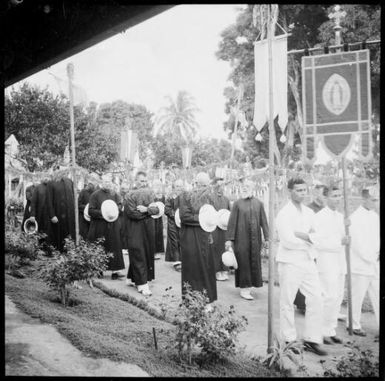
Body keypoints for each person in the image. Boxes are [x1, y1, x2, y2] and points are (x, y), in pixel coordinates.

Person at [275, 177, 327, 356]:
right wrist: (309, 238)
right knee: (287, 301)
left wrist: (303, 236)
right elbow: (288, 240)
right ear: (290, 191)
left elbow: (319, 236)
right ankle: (289, 339)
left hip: (307, 260)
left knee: (317, 298)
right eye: (299, 190)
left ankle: (312, 339)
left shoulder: (309, 213)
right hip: (290, 261)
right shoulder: (284, 214)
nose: (303, 194)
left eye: (305, 190)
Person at [312, 185, 349, 345]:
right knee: (328, 296)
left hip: (339, 260)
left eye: (339, 195)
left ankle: (330, 329)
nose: (338, 198)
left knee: (338, 297)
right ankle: (321, 331)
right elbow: (318, 242)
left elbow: (344, 239)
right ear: (326, 197)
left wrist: (346, 234)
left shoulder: (341, 217)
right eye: (334, 195)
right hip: (326, 260)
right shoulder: (320, 217)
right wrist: (338, 242)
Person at [225, 179, 269, 300]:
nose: (244, 188)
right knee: (243, 262)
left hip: (255, 240)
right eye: (243, 186)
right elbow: (232, 222)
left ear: (253, 188)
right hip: (241, 239)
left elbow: (264, 222)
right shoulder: (237, 204)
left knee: (254, 261)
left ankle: (250, 287)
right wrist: (229, 239)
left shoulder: (258, 203)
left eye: (247, 186)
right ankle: (244, 289)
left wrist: (267, 238)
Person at [179, 172, 217, 308]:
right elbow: (184, 216)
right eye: (203, 186)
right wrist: (201, 219)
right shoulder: (186, 196)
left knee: (207, 267)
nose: (206, 189)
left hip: (205, 237)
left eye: (207, 186)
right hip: (190, 238)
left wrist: (209, 226)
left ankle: (207, 300)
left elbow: (213, 215)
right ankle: (191, 301)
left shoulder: (210, 197)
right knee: (193, 268)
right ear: (196, 184)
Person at [348, 186, 379, 336]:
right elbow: (358, 244)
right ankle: (353, 324)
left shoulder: (375, 216)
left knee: (377, 294)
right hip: (360, 264)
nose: (375, 202)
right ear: (364, 199)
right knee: (357, 296)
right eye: (373, 200)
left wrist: (377, 255)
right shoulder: (355, 218)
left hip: (374, 263)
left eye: (377, 199)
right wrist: (370, 257)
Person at [125, 171, 160, 296]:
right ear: (136, 181)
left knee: (146, 253)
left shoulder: (150, 194)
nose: (144, 183)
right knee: (138, 253)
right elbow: (132, 213)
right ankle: (142, 284)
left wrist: (146, 209)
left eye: (145, 181)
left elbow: (157, 209)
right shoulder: (129, 195)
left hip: (148, 229)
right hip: (134, 229)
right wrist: (149, 213)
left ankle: (131, 278)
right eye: (141, 181)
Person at [294, 181, 326, 314]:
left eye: (325, 195)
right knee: (306, 277)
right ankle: (302, 305)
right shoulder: (309, 209)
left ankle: (319, 304)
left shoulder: (326, 210)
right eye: (321, 194)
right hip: (309, 247)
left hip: (323, 248)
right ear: (315, 194)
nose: (323, 197)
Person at [87, 178, 125, 279]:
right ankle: (99, 270)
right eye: (105, 182)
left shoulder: (115, 194)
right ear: (101, 183)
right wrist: (103, 213)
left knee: (115, 246)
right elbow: (91, 211)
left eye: (109, 182)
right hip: (100, 225)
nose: (107, 184)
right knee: (101, 246)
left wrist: (115, 210)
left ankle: (115, 271)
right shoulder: (95, 195)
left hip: (113, 225)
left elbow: (120, 206)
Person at [46, 173, 76, 252]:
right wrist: (52, 215)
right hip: (57, 214)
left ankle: (68, 251)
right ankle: (58, 253)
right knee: (58, 238)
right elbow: (48, 201)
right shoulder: (51, 183)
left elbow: (73, 197)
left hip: (69, 216)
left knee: (69, 236)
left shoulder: (69, 181)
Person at [211, 176, 231, 281]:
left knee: (224, 248)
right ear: (214, 186)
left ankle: (225, 269)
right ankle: (217, 271)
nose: (220, 188)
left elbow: (229, 213)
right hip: (214, 227)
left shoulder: (226, 199)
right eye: (218, 186)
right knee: (215, 248)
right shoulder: (211, 198)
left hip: (224, 227)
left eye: (222, 186)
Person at [29, 174, 54, 253]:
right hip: (40, 214)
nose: (47, 178)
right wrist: (32, 215)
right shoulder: (38, 188)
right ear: (42, 178)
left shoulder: (52, 188)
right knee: (40, 231)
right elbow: (33, 202)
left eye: (48, 176)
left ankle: (48, 249)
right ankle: (39, 249)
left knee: (49, 232)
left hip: (50, 214)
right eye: (45, 176)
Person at [164, 179, 184, 271]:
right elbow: (167, 210)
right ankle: (176, 261)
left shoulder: (186, 196)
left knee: (183, 240)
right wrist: (175, 215)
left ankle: (183, 259)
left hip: (183, 222)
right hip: (173, 223)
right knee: (174, 241)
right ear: (174, 187)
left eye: (180, 186)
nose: (179, 188)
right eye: (177, 186)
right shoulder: (170, 197)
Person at [152, 179, 165, 260]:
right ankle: (152, 251)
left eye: (159, 185)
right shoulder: (151, 195)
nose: (158, 187)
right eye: (156, 185)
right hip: (152, 217)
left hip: (159, 218)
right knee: (152, 233)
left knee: (159, 233)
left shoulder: (162, 197)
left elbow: (164, 207)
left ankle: (158, 251)